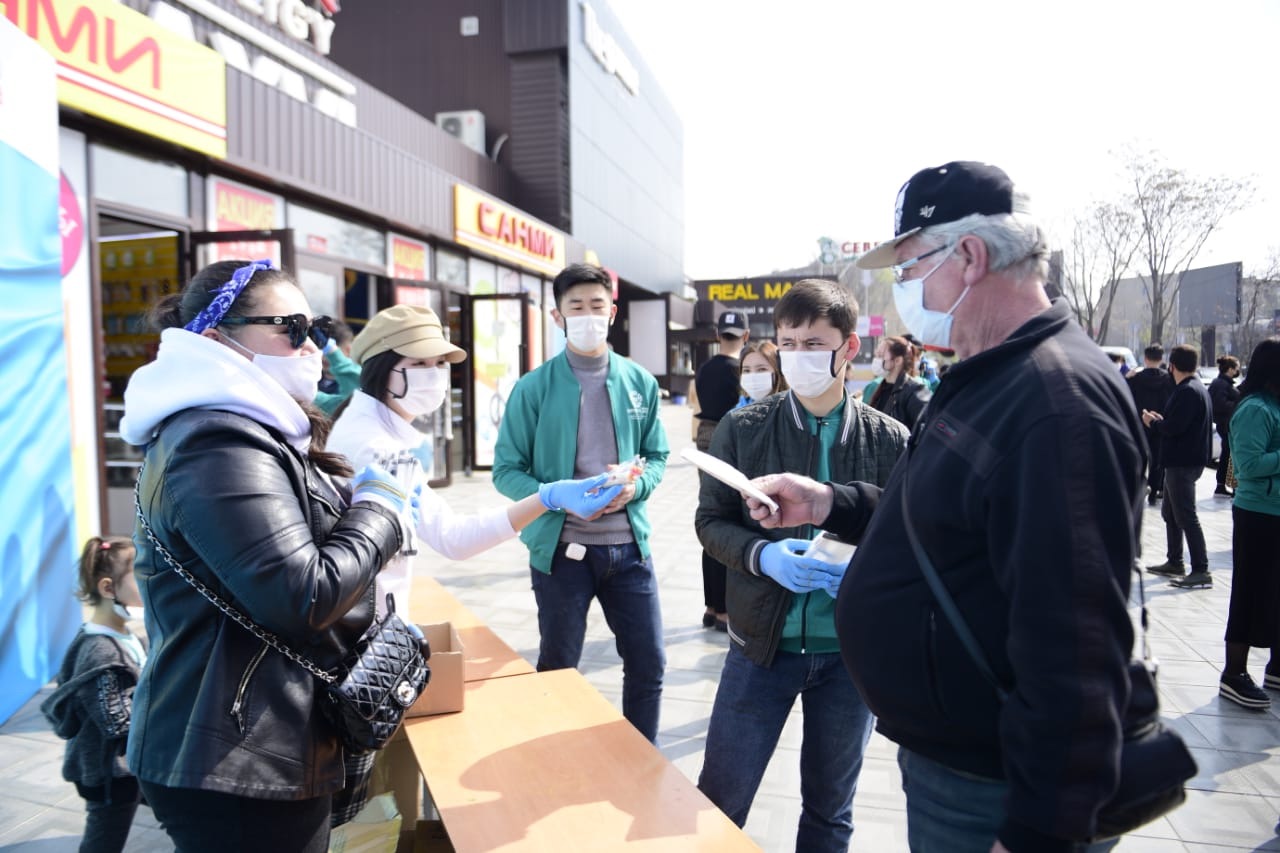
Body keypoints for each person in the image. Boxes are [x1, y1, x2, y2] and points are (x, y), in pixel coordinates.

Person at [747, 161, 1144, 852]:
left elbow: (1080, 645)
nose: (903, 291)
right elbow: (937, 517)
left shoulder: (1056, 400)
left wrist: (1036, 831)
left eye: (909, 267)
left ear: (969, 256)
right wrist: (829, 501)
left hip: (996, 789)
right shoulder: (989, 374)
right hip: (952, 765)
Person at [118, 259, 413, 852]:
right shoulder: (217, 440)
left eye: (318, 329)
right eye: (291, 328)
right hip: (238, 756)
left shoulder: (253, 426)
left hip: (252, 737)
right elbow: (305, 595)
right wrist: (382, 509)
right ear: (214, 336)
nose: (311, 347)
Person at [325, 303, 620, 823]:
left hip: (373, 647)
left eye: (443, 364)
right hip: (352, 656)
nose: (436, 376)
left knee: (375, 812)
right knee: (359, 819)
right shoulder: (369, 443)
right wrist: (548, 499)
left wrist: (548, 498)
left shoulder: (392, 437)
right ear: (380, 369)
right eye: (420, 364)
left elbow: (454, 538)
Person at [695, 279, 909, 852]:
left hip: (848, 657)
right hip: (761, 647)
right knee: (716, 804)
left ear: (849, 348)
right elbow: (709, 523)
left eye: (813, 343)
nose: (797, 356)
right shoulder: (743, 429)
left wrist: (864, 568)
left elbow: (910, 538)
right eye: (788, 343)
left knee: (830, 812)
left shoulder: (893, 440)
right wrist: (763, 555)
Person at [493, 262, 669, 743]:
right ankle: (555, 759)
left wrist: (637, 487)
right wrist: (555, 498)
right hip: (561, 553)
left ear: (612, 312)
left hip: (630, 552)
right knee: (558, 666)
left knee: (649, 663)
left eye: (597, 306)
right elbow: (506, 470)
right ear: (557, 317)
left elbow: (657, 456)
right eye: (577, 307)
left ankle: (641, 758)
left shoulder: (640, 383)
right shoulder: (533, 388)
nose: (588, 315)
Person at [41, 536, 145, 853]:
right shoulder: (101, 651)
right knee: (103, 842)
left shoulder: (120, 633)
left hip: (126, 766)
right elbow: (117, 722)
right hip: (109, 775)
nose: (150, 577)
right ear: (107, 588)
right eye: (139, 573)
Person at [1217, 338, 1280, 709]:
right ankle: (1234, 673)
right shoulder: (1255, 408)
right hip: (1258, 514)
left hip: (1274, 512)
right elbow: (1248, 466)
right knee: (1250, 591)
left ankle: (1276, 667)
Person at [692, 311, 750, 631]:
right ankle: (726, 608)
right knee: (730, 520)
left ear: (718, 335)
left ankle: (712, 606)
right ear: (746, 336)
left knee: (711, 516)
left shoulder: (704, 368)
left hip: (704, 437)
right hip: (730, 440)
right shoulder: (740, 369)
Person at [1143, 344, 1214, 589]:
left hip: (1182, 463)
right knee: (1170, 514)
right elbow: (1179, 424)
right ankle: (1175, 561)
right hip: (1182, 460)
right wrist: (1162, 420)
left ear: (1172, 365)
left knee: (1186, 515)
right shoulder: (1195, 388)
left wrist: (1153, 424)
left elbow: (1175, 428)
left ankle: (1201, 569)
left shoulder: (1187, 391)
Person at [1128, 344, 1176, 504]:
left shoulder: (1135, 379)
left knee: (1139, 456)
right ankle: (1155, 490)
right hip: (1160, 423)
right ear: (1161, 359)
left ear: (1145, 358)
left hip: (1139, 423)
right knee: (1157, 458)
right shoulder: (1169, 379)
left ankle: (1138, 487)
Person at [867, 334, 932, 428]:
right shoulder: (880, 388)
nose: (876, 360)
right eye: (876, 355)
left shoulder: (915, 392)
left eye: (880, 355)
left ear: (897, 361)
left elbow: (926, 427)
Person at [1209, 354, 1242, 497]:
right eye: (1236, 368)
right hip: (1226, 424)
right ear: (1230, 369)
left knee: (1227, 454)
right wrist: (1238, 404)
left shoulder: (1222, 383)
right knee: (1231, 455)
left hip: (1225, 424)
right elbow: (1220, 404)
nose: (1237, 371)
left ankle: (1222, 484)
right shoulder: (1222, 384)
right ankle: (1228, 485)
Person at [315, 319, 360, 416]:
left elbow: (355, 401)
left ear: (348, 350)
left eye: (326, 350)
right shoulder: (312, 378)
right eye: (319, 348)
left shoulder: (358, 379)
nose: (323, 356)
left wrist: (334, 355)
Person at [737, 340, 787, 407]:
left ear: (777, 371)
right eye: (747, 371)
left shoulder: (792, 409)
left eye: (761, 369)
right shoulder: (735, 413)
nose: (752, 377)